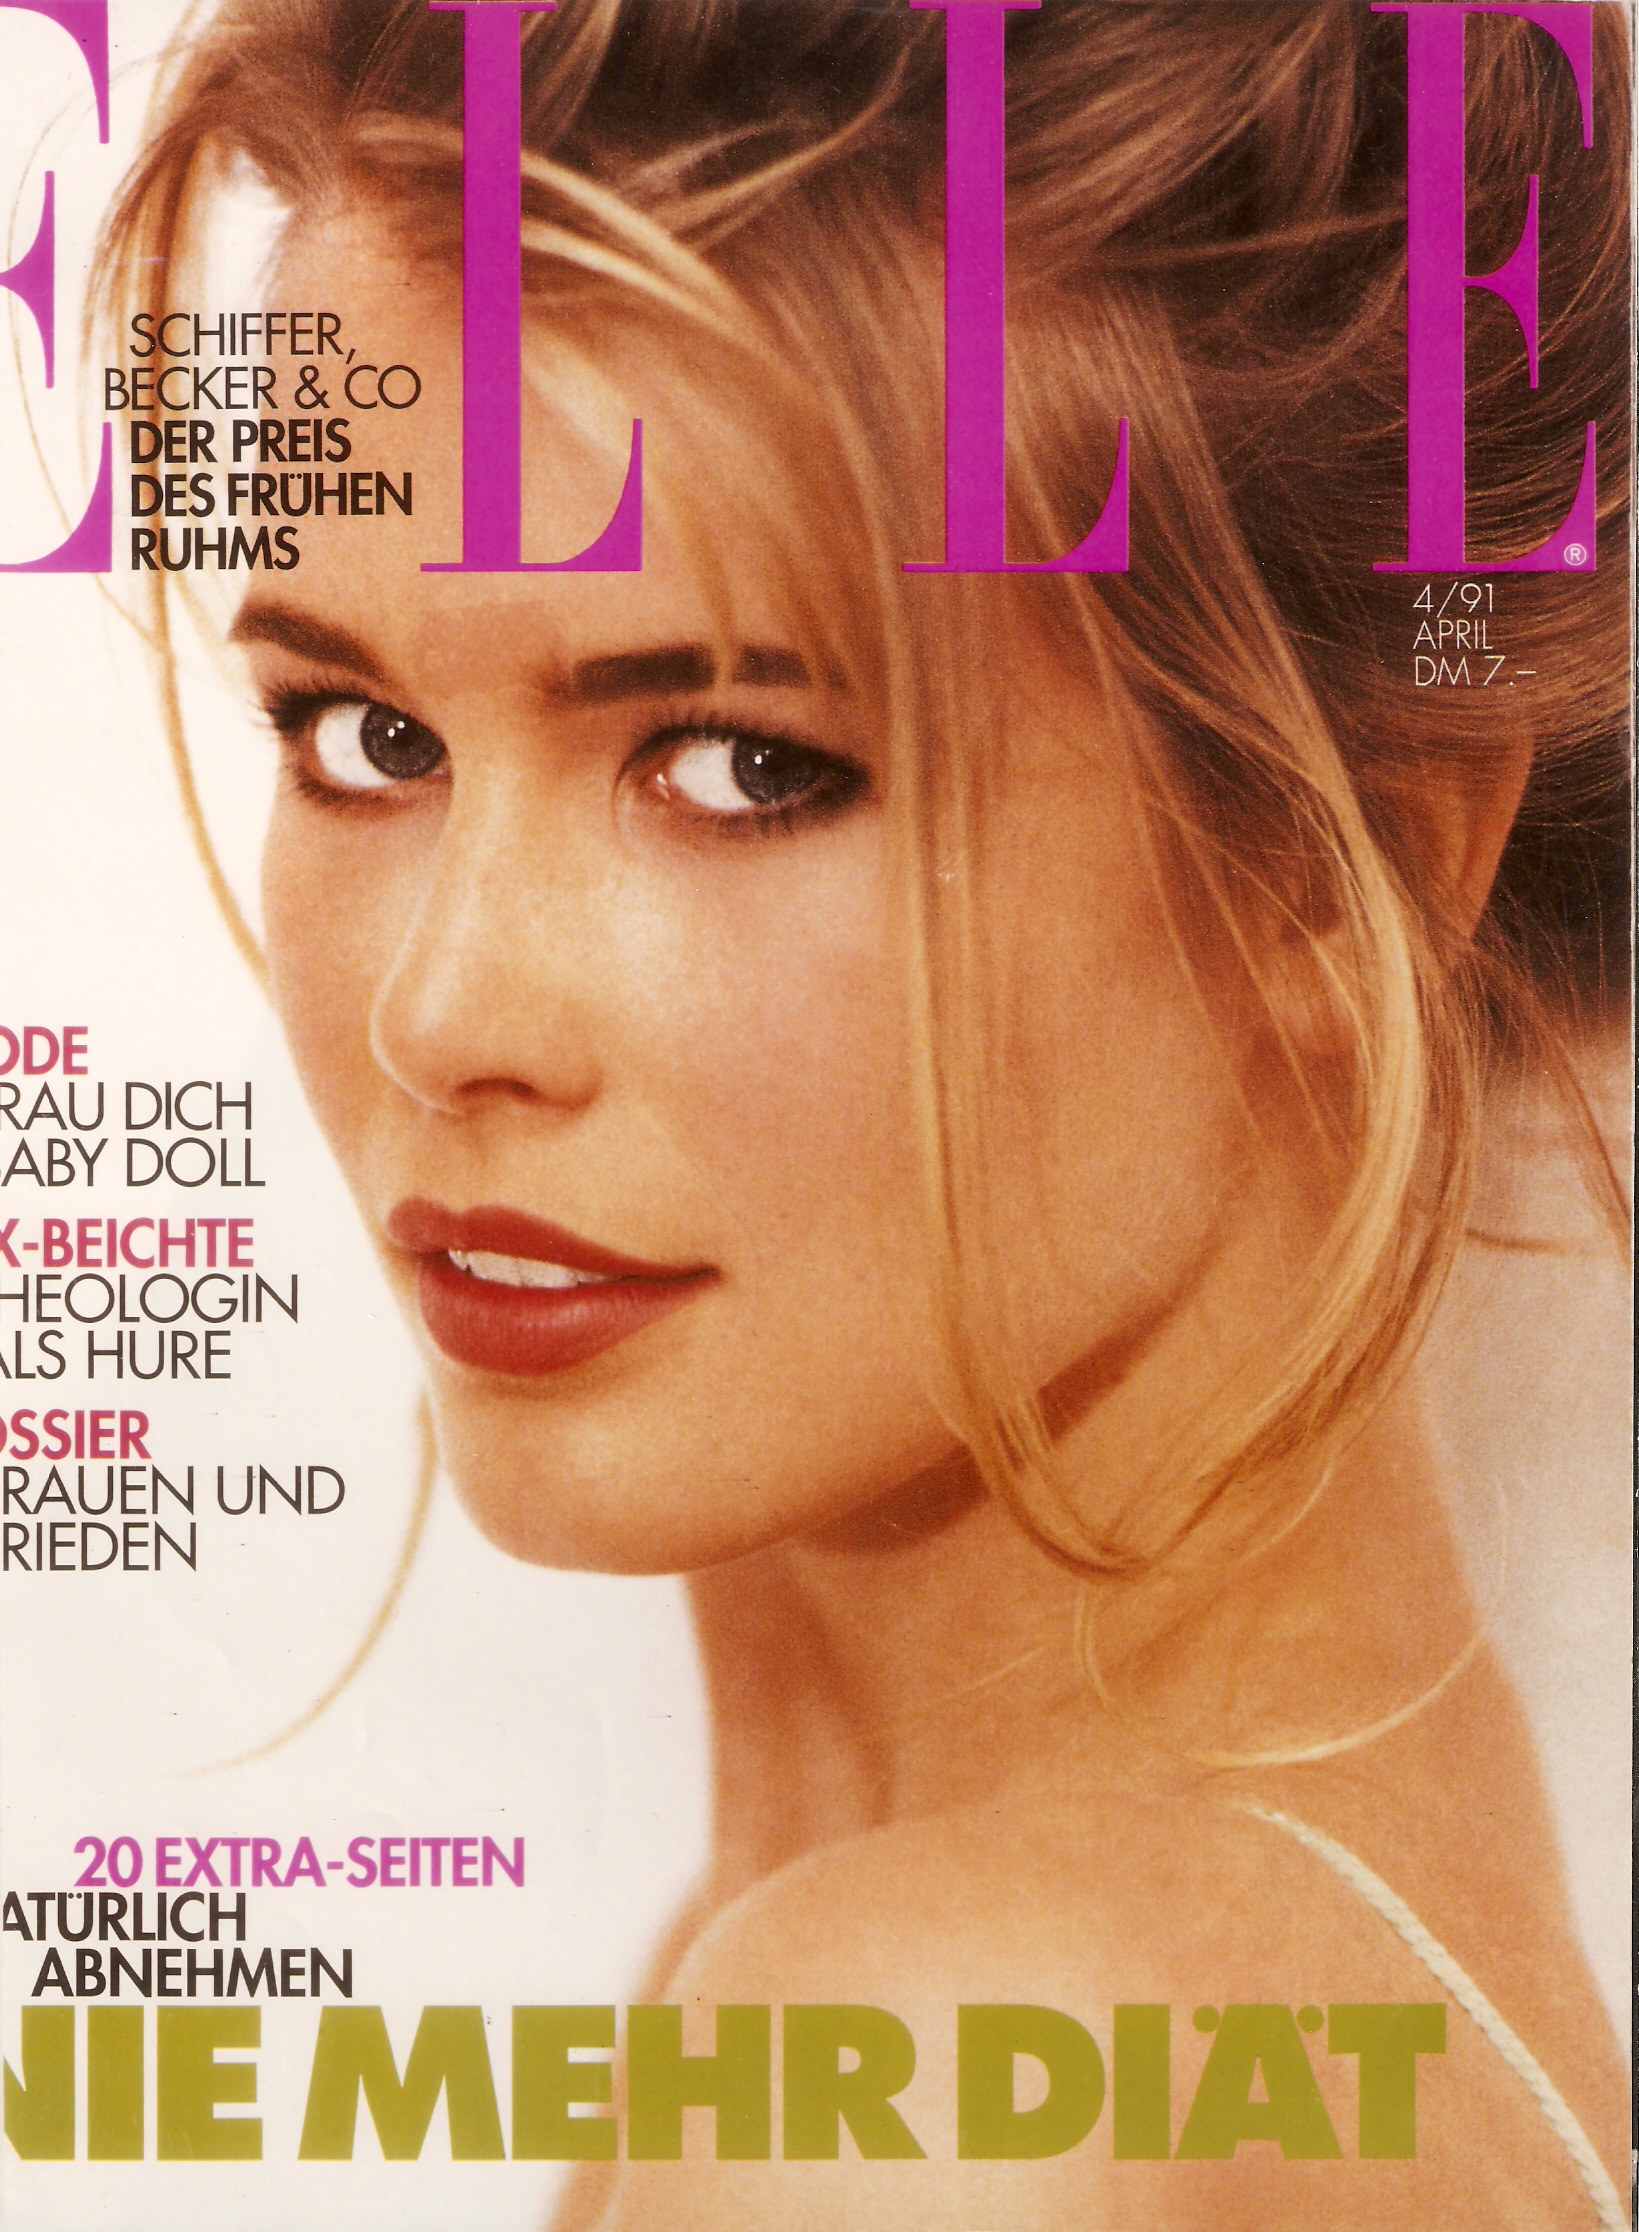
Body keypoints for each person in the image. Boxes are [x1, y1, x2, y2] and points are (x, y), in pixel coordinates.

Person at [99, 1, 1629, 2223]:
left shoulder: (948, 2068)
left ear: (1351, 855)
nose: (441, 1013)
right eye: (363, 736)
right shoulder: (1257, 1959)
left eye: (743, 765)